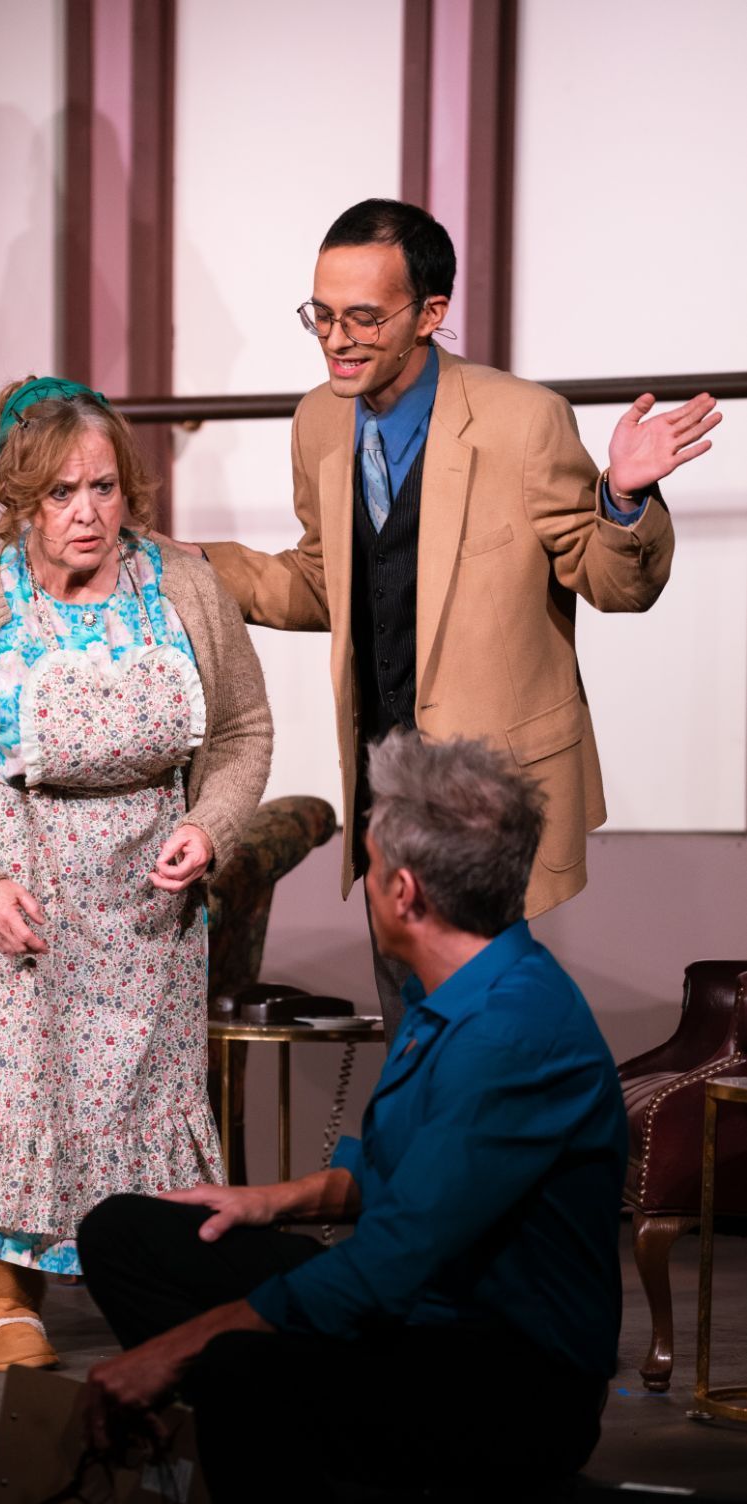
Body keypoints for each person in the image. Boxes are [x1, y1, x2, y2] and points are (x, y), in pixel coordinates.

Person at [79, 729, 629, 1504]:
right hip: (420, 1313)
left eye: (367, 866)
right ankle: (247, 1487)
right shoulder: (457, 990)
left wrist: (177, 1348)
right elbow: (408, 1173)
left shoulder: (510, 1032)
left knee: (235, 1367)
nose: (364, 885)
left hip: (506, 1376)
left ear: (404, 892)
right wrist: (270, 1200)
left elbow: (391, 1259)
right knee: (126, 1234)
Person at [194, 198, 721, 1038]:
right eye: (321, 315)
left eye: (363, 317)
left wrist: (622, 497)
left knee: (482, 1026)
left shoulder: (522, 420)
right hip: (383, 781)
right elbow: (326, 584)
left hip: (488, 786)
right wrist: (196, 566)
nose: (336, 339)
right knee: (410, 1020)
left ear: (428, 313)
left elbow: (612, 583)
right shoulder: (317, 420)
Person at [0, 376, 273, 1371]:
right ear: (23, 498)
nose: (87, 512)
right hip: (20, 902)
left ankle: (151, 1280)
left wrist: (211, 827)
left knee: (140, 1107)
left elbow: (241, 732)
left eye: (103, 487)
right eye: (61, 492)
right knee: (23, 1097)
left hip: (148, 911)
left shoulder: (184, 590)